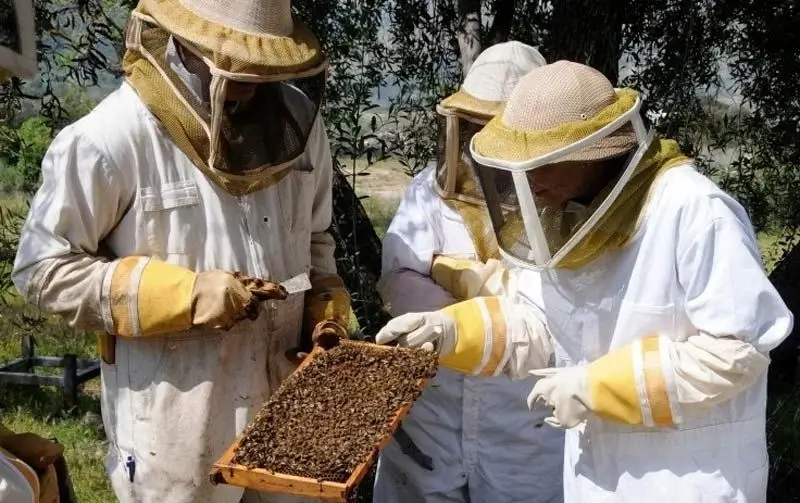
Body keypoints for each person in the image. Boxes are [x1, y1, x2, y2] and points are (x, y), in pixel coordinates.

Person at [376, 60, 793, 502]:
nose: (526, 179)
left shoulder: (695, 210)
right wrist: (453, 331)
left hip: (686, 479)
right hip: (593, 477)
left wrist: (600, 387)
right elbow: (540, 323)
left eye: (539, 162)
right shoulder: (567, 216)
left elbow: (739, 348)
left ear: (591, 150)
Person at [11, 0, 351, 501]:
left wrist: (324, 300)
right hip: (177, 426)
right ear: (184, 44)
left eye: (266, 64)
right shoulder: (110, 138)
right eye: (238, 63)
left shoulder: (297, 126)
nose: (254, 80)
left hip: (292, 410)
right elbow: (43, 271)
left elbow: (316, 238)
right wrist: (182, 296)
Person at [374, 41, 564, 503]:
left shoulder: (562, 208)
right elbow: (398, 280)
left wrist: (451, 277)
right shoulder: (430, 189)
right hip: (433, 409)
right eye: (478, 127)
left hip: (522, 422)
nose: (486, 142)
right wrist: (475, 310)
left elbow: (556, 314)